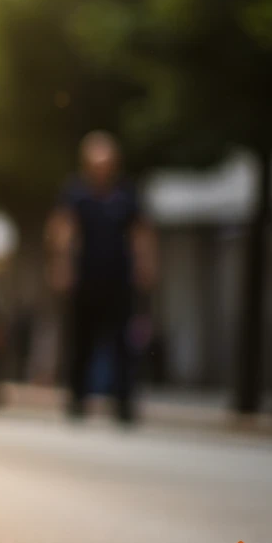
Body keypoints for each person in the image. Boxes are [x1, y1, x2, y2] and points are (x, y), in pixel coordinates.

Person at [46, 131, 158, 423]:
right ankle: (77, 399)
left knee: (123, 344)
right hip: (85, 280)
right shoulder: (75, 192)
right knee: (81, 341)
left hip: (118, 281)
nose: (102, 169)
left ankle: (123, 403)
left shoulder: (126, 193)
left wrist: (145, 265)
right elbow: (63, 229)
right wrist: (62, 265)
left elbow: (140, 232)